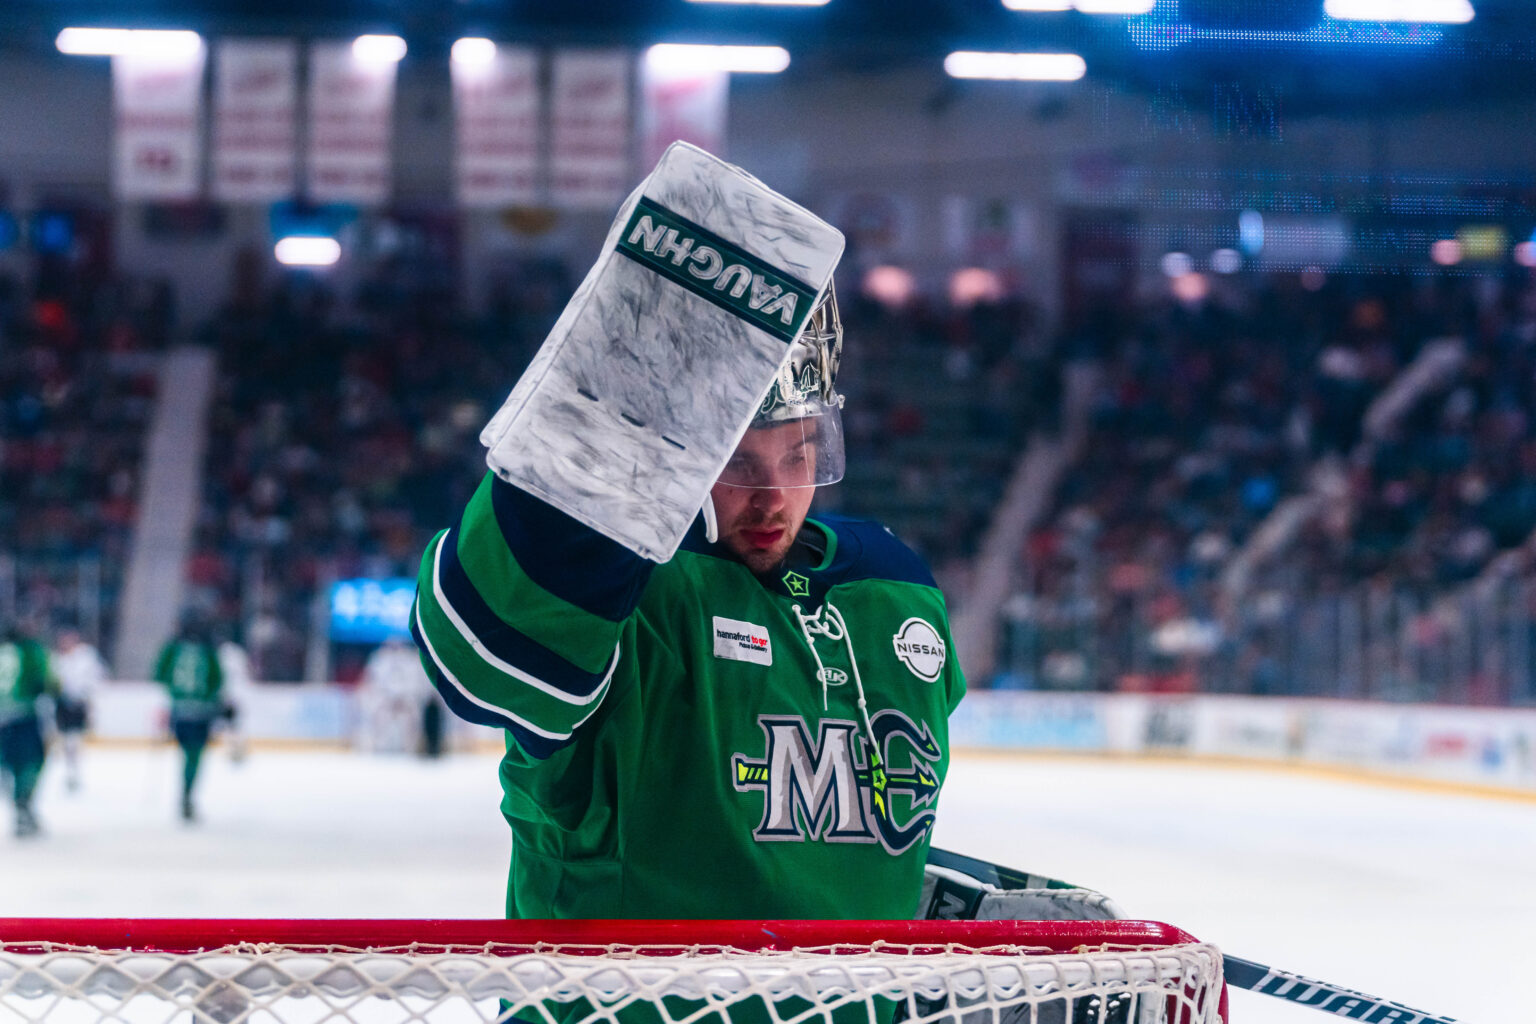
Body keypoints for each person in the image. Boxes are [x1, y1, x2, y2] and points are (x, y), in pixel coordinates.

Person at [411, 283, 966, 920]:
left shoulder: (898, 590)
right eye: (738, 462)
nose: (773, 498)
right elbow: (483, 656)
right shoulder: (614, 585)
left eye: (799, 456)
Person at [152, 615, 224, 822]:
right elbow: (217, 681)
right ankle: (188, 794)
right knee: (194, 755)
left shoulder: (173, 649)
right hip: (202, 712)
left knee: (186, 753)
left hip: (180, 710)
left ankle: (185, 794)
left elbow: (159, 674)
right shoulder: (209, 651)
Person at [0, 620, 57, 838]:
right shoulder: (31, 651)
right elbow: (46, 681)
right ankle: (23, 807)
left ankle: (18, 809)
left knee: (5, 766)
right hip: (24, 716)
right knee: (30, 763)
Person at [50, 627, 108, 792]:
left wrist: (88, 698)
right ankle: (70, 772)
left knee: (74, 740)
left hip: (78, 704)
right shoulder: (57, 659)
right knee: (66, 741)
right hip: (62, 704)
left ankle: (74, 773)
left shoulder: (86, 657)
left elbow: (97, 678)